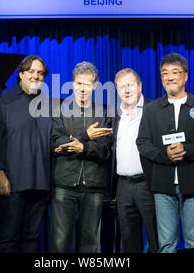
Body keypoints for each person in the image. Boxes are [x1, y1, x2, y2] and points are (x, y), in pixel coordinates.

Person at [136, 53, 194, 253]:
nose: (170, 77)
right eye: (164, 73)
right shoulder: (152, 109)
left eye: (175, 72)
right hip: (163, 186)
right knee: (166, 244)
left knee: (193, 242)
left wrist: (189, 151)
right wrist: (165, 155)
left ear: (185, 76)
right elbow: (142, 143)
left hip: (193, 183)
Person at [50, 61, 113, 253]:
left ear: (95, 86)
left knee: (91, 244)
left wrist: (82, 148)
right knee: (60, 242)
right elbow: (57, 143)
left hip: (94, 186)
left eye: (87, 84)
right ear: (72, 84)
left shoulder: (104, 112)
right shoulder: (60, 110)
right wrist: (85, 138)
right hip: (64, 185)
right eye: (78, 84)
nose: (82, 89)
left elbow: (105, 151)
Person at [0, 55, 53, 253]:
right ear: (21, 74)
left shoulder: (48, 103)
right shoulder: (4, 99)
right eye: (31, 71)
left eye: (40, 73)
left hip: (41, 182)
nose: (36, 76)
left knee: (32, 239)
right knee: (8, 239)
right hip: (13, 183)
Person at [111, 68, 158, 253]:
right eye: (121, 87)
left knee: (157, 238)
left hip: (149, 184)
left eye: (130, 85)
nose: (126, 90)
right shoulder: (115, 115)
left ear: (140, 86)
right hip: (123, 186)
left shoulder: (154, 110)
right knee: (129, 241)